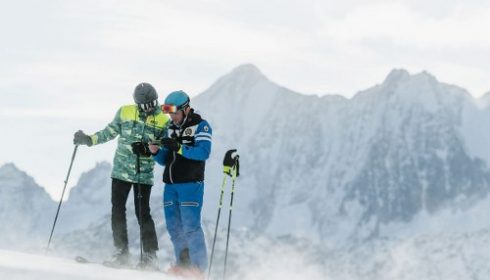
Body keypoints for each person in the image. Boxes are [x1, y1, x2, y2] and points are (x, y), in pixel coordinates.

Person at [73, 82, 169, 269]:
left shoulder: (163, 119)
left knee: (143, 213)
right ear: (137, 103)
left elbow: (166, 143)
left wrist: (150, 147)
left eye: (153, 103)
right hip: (120, 171)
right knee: (118, 210)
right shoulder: (124, 112)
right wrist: (88, 139)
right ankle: (121, 253)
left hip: (143, 173)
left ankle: (150, 256)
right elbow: (109, 132)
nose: (151, 107)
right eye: (146, 104)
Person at [149, 90, 212, 278]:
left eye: (175, 112)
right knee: (174, 227)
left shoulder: (201, 126)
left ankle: (198, 269)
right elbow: (165, 160)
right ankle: (183, 266)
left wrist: (178, 146)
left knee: (191, 226)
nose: (172, 116)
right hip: (170, 185)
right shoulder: (170, 127)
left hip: (190, 184)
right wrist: (154, 152)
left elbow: (203, 152)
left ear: (186, 109)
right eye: (169, 113)